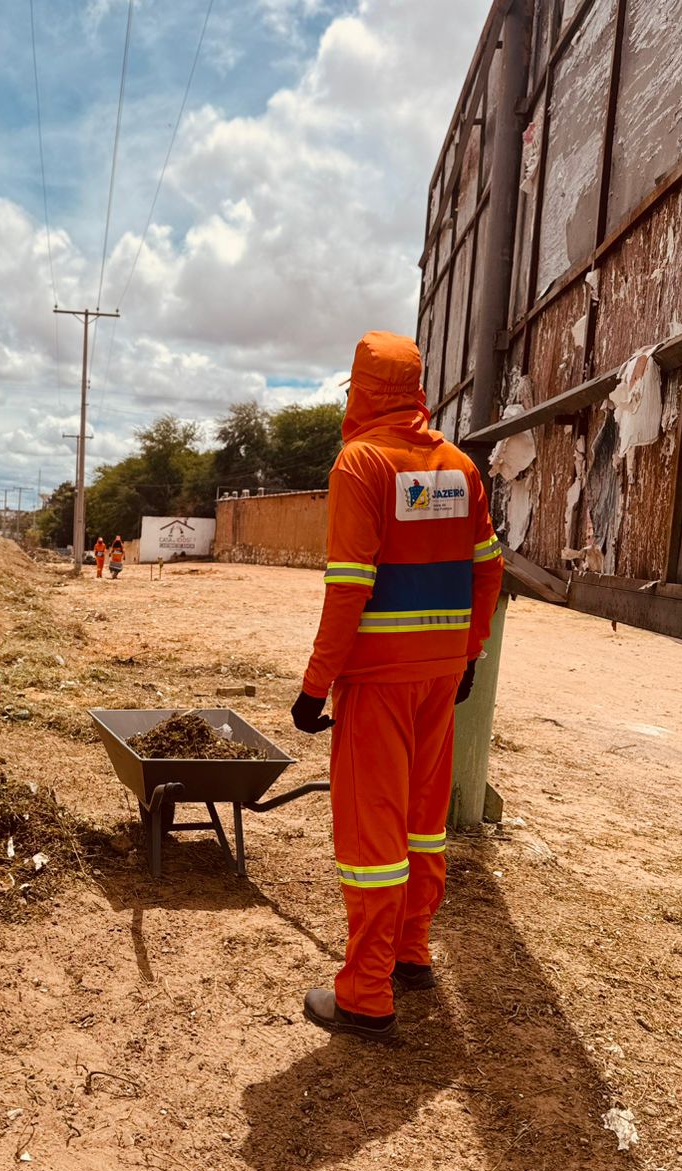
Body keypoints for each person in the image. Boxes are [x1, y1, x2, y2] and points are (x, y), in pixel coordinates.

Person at [290, 331, 504, 1042]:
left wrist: (315, 685)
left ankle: (365, 992)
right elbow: (488, 569)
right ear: (416, 391)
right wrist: (467, 654)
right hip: (439, 676)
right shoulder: (459, 467)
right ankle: (412, 950)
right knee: (421, 820)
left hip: (378, 680)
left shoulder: (361, 462)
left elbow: (350, 586)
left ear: (360, 390)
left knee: (372, 832)